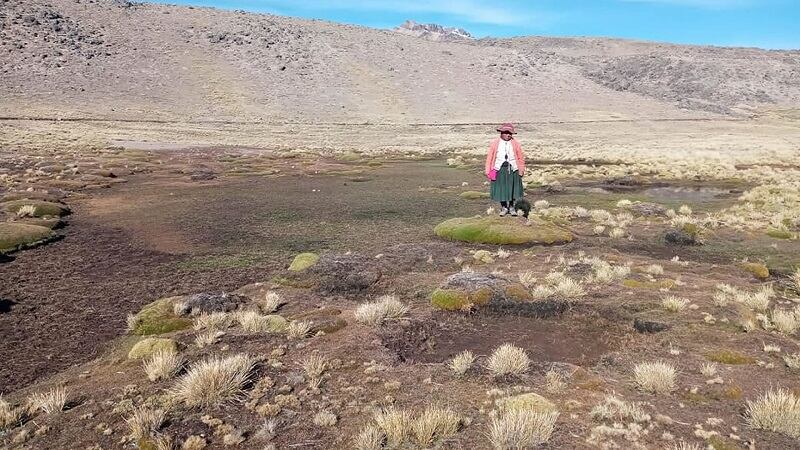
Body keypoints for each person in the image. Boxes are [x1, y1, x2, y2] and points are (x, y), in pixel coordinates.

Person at [485, 123, 526, 216]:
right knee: (501, 189)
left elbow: (520, 158)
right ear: (502, 133)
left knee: (512, 189)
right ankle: (504, 207)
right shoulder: (495, 144)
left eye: (510, 133)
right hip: (498, 169)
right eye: (507, 133)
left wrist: (521, 170)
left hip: (513, 169)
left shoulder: (516, 144)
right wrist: (488, 171)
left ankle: (511, 207)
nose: (509, 135)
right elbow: (489, 158)